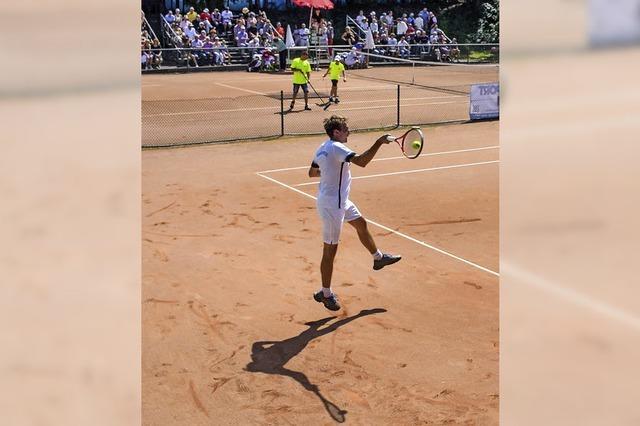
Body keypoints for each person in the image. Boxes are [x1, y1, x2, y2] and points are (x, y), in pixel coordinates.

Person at [308, 116, 402, 311]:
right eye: (345, 129)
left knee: (360, 223)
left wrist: (328, 172)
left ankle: (378, 258)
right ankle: (325, 294)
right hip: (333, 206)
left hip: (339, 201)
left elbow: (311, 172)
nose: (348, 132)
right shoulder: (337, 147)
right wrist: (378, 143)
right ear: (336, 132)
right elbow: (362, 161)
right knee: (329, 252)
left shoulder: (323, 147)